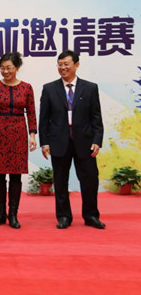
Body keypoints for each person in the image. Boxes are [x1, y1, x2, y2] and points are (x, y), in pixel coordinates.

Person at [39, 50, 105, 229]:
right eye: (60, 64)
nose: (63, 67)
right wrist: (44, 142)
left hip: (85, 141)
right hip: (59, 141)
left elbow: (96, 118)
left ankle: (91, 216)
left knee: (90, 180)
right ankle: (63, 217)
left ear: (76, 65)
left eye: (66, 64)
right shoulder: (49, 88)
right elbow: (44, 119)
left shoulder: (90, 88)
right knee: (60, 181)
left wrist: (97, 140)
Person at [0, 52, 37, 229]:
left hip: (19, 133)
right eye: (2, 68)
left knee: (16, 174)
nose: (5, 71)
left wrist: (32, 135)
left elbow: (31, 113)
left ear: (17, 68)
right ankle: (0, 213)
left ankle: (13, 214)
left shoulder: (27, 88)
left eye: (9, 68)